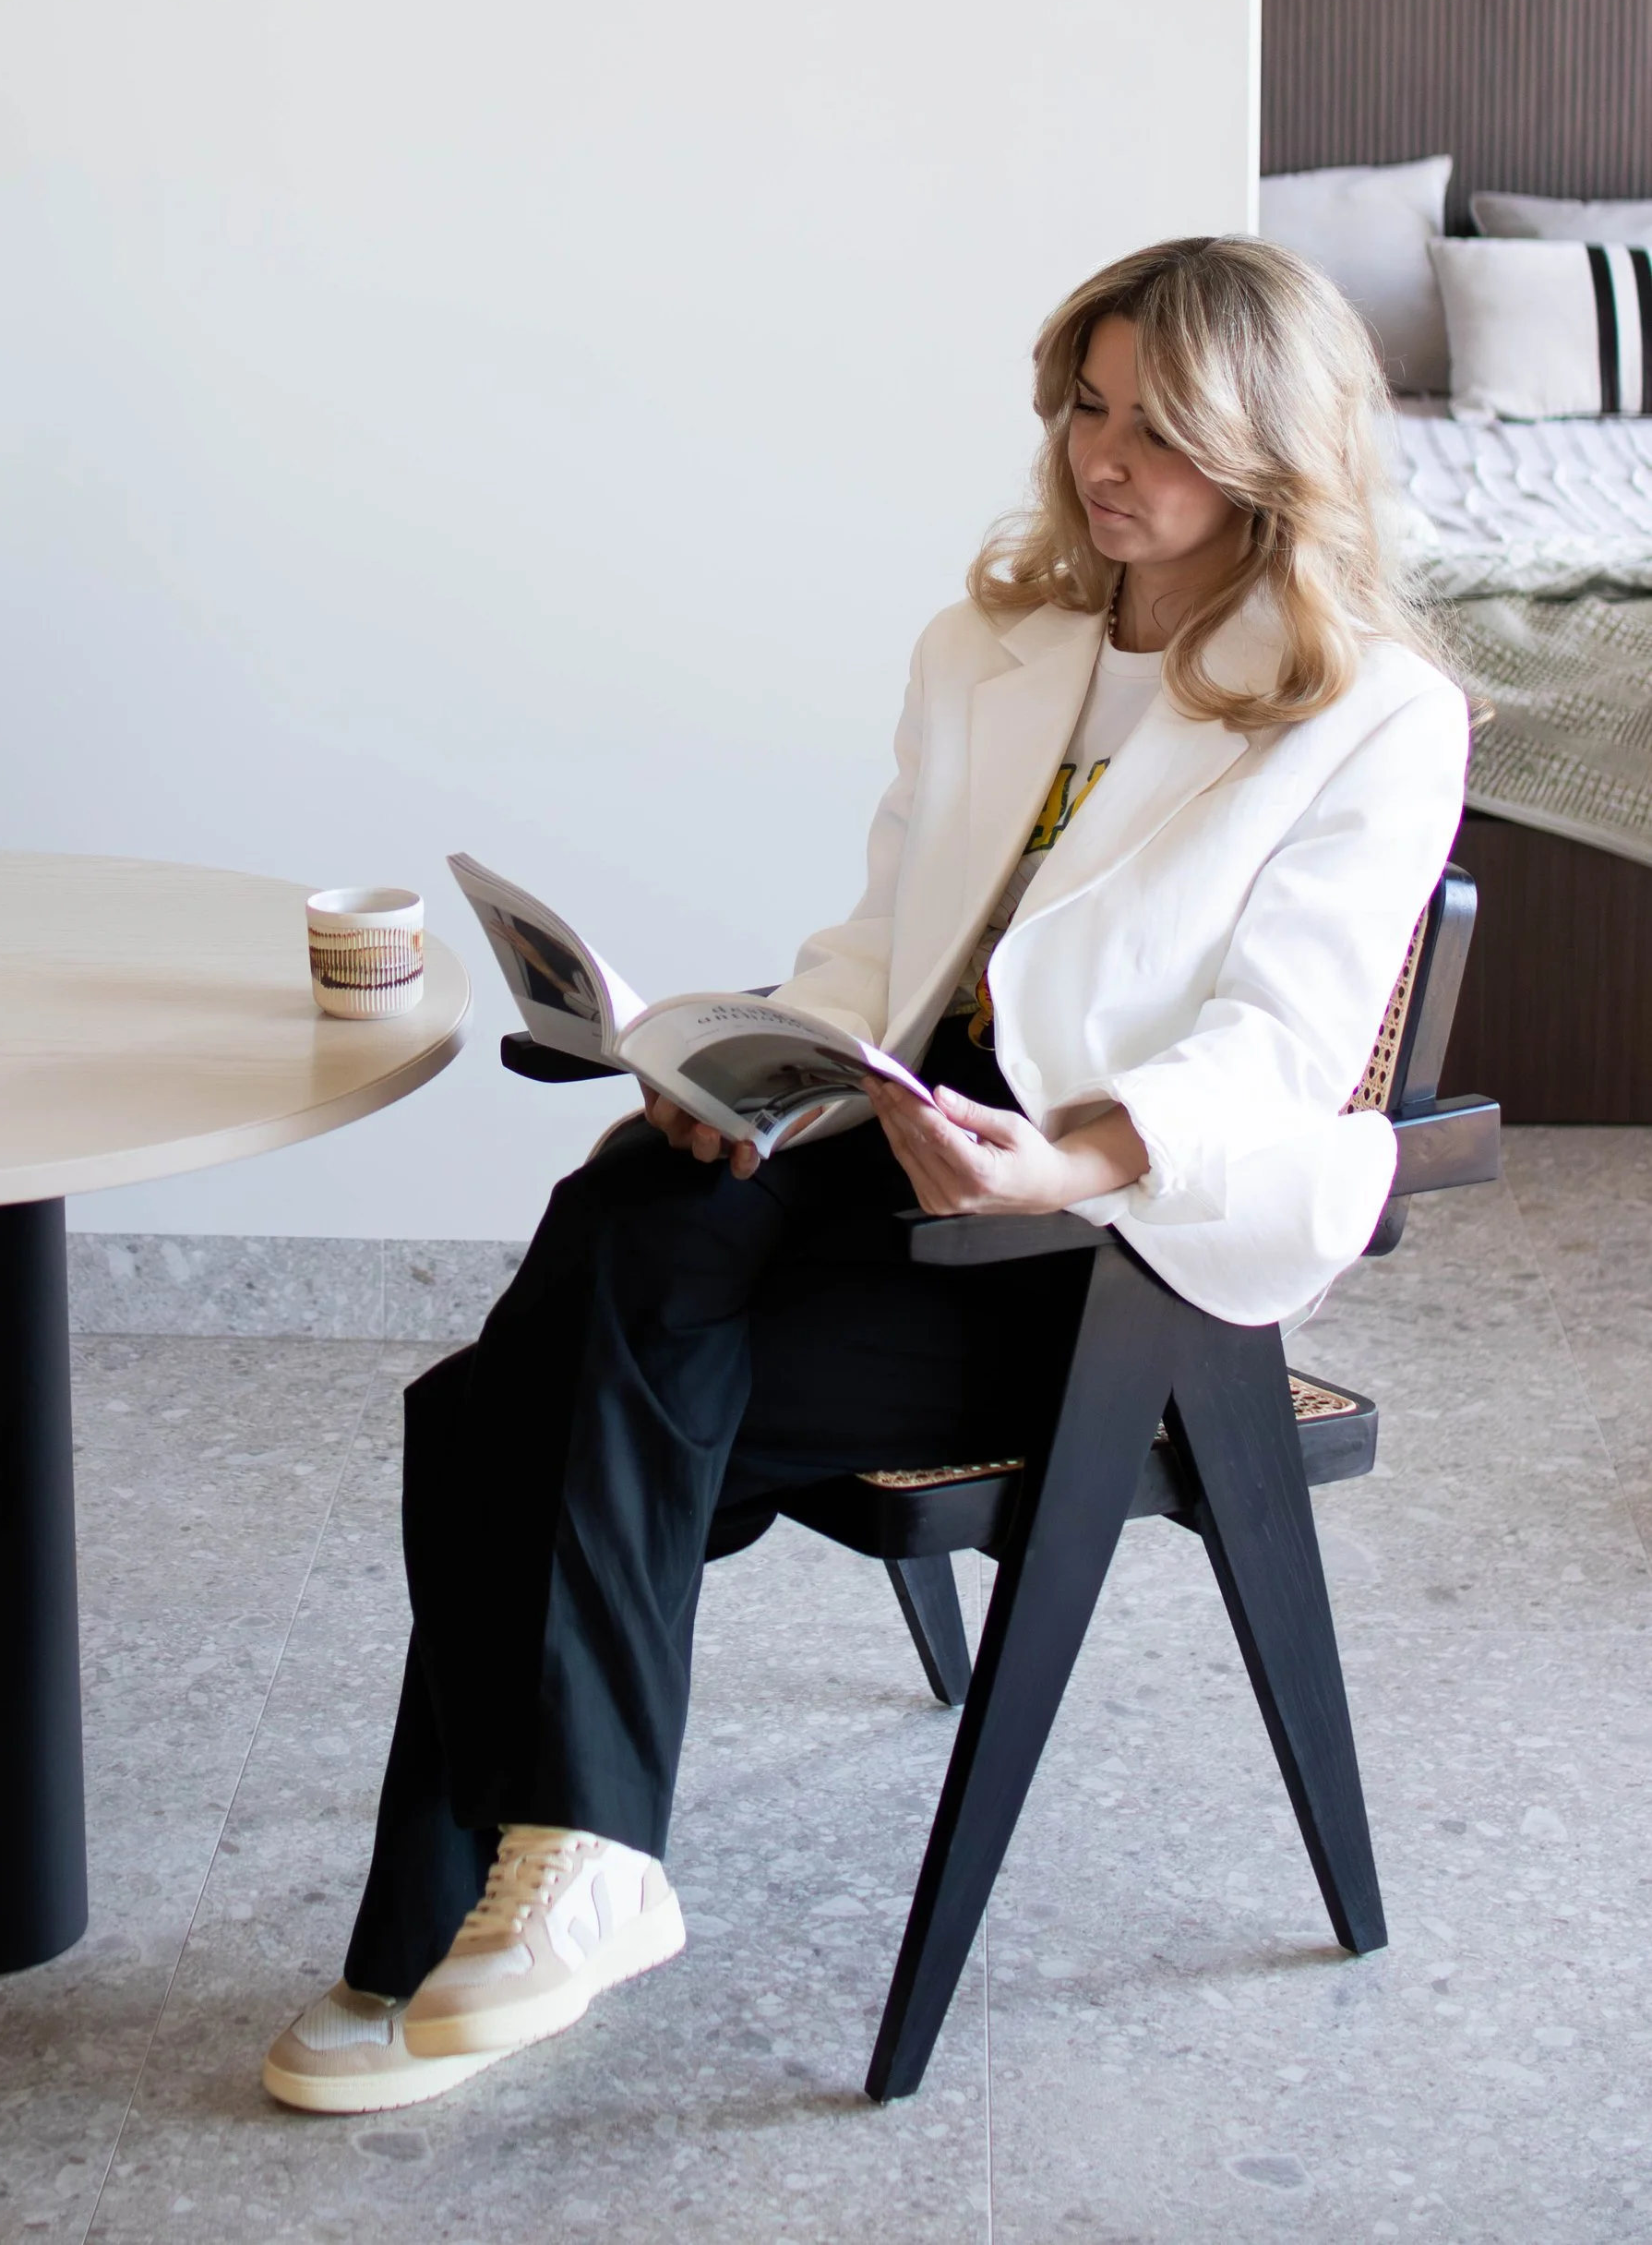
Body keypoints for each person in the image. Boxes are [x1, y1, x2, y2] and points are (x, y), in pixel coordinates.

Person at [262, 236, 1469, 2117]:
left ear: (1268, 447)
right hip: (899, 1131)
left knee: (501, 1413)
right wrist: (737, 1070)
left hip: (1095, 1242)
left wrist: (1067, 1157)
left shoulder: (1366, 709)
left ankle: (445, 1930)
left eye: (1158, 428)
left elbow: (1282, 1049)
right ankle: (571, 1873)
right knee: (632, 1192)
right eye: (1085, 406)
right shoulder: (988, 649)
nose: (1100, 458)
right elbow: (883, 944)